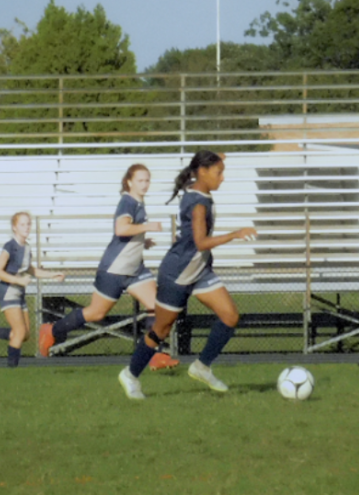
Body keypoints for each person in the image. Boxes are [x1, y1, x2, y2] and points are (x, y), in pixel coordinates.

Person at [118, 150, 257, 400]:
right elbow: (202, 242)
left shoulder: (197, 190)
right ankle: (130, 374)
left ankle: (202, 366)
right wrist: (235, 234)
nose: (222, 178)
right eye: (219, 172)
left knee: (230, 315)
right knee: (161, 329)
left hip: (199, 270)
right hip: (178, 274)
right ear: (202, 172)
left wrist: (216, 157)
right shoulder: (199, 203)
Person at [37, 164, 178, 369]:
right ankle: (51, 331)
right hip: (114, 269)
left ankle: (154, 355)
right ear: (129, 182)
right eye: (140, 180)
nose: (145, 184)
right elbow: (121, 229)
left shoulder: (138, 201)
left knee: (157, 307)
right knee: (95, 313)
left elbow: (129, 233)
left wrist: (142, 241)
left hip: (135, 269)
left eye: (147, 180)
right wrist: (147, 227)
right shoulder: (127, 201)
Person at [0, 211, 64, 367]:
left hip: (19, 293)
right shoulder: (10, 247)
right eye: (22, 224)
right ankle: (12, 369)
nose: (27, 227)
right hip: (8, 292)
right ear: (14, 228)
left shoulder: (26, 247)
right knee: (19, 333)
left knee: (25, 335)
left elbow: (30, 270)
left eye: (28, 224)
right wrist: (18, 280)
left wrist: (52, 275)